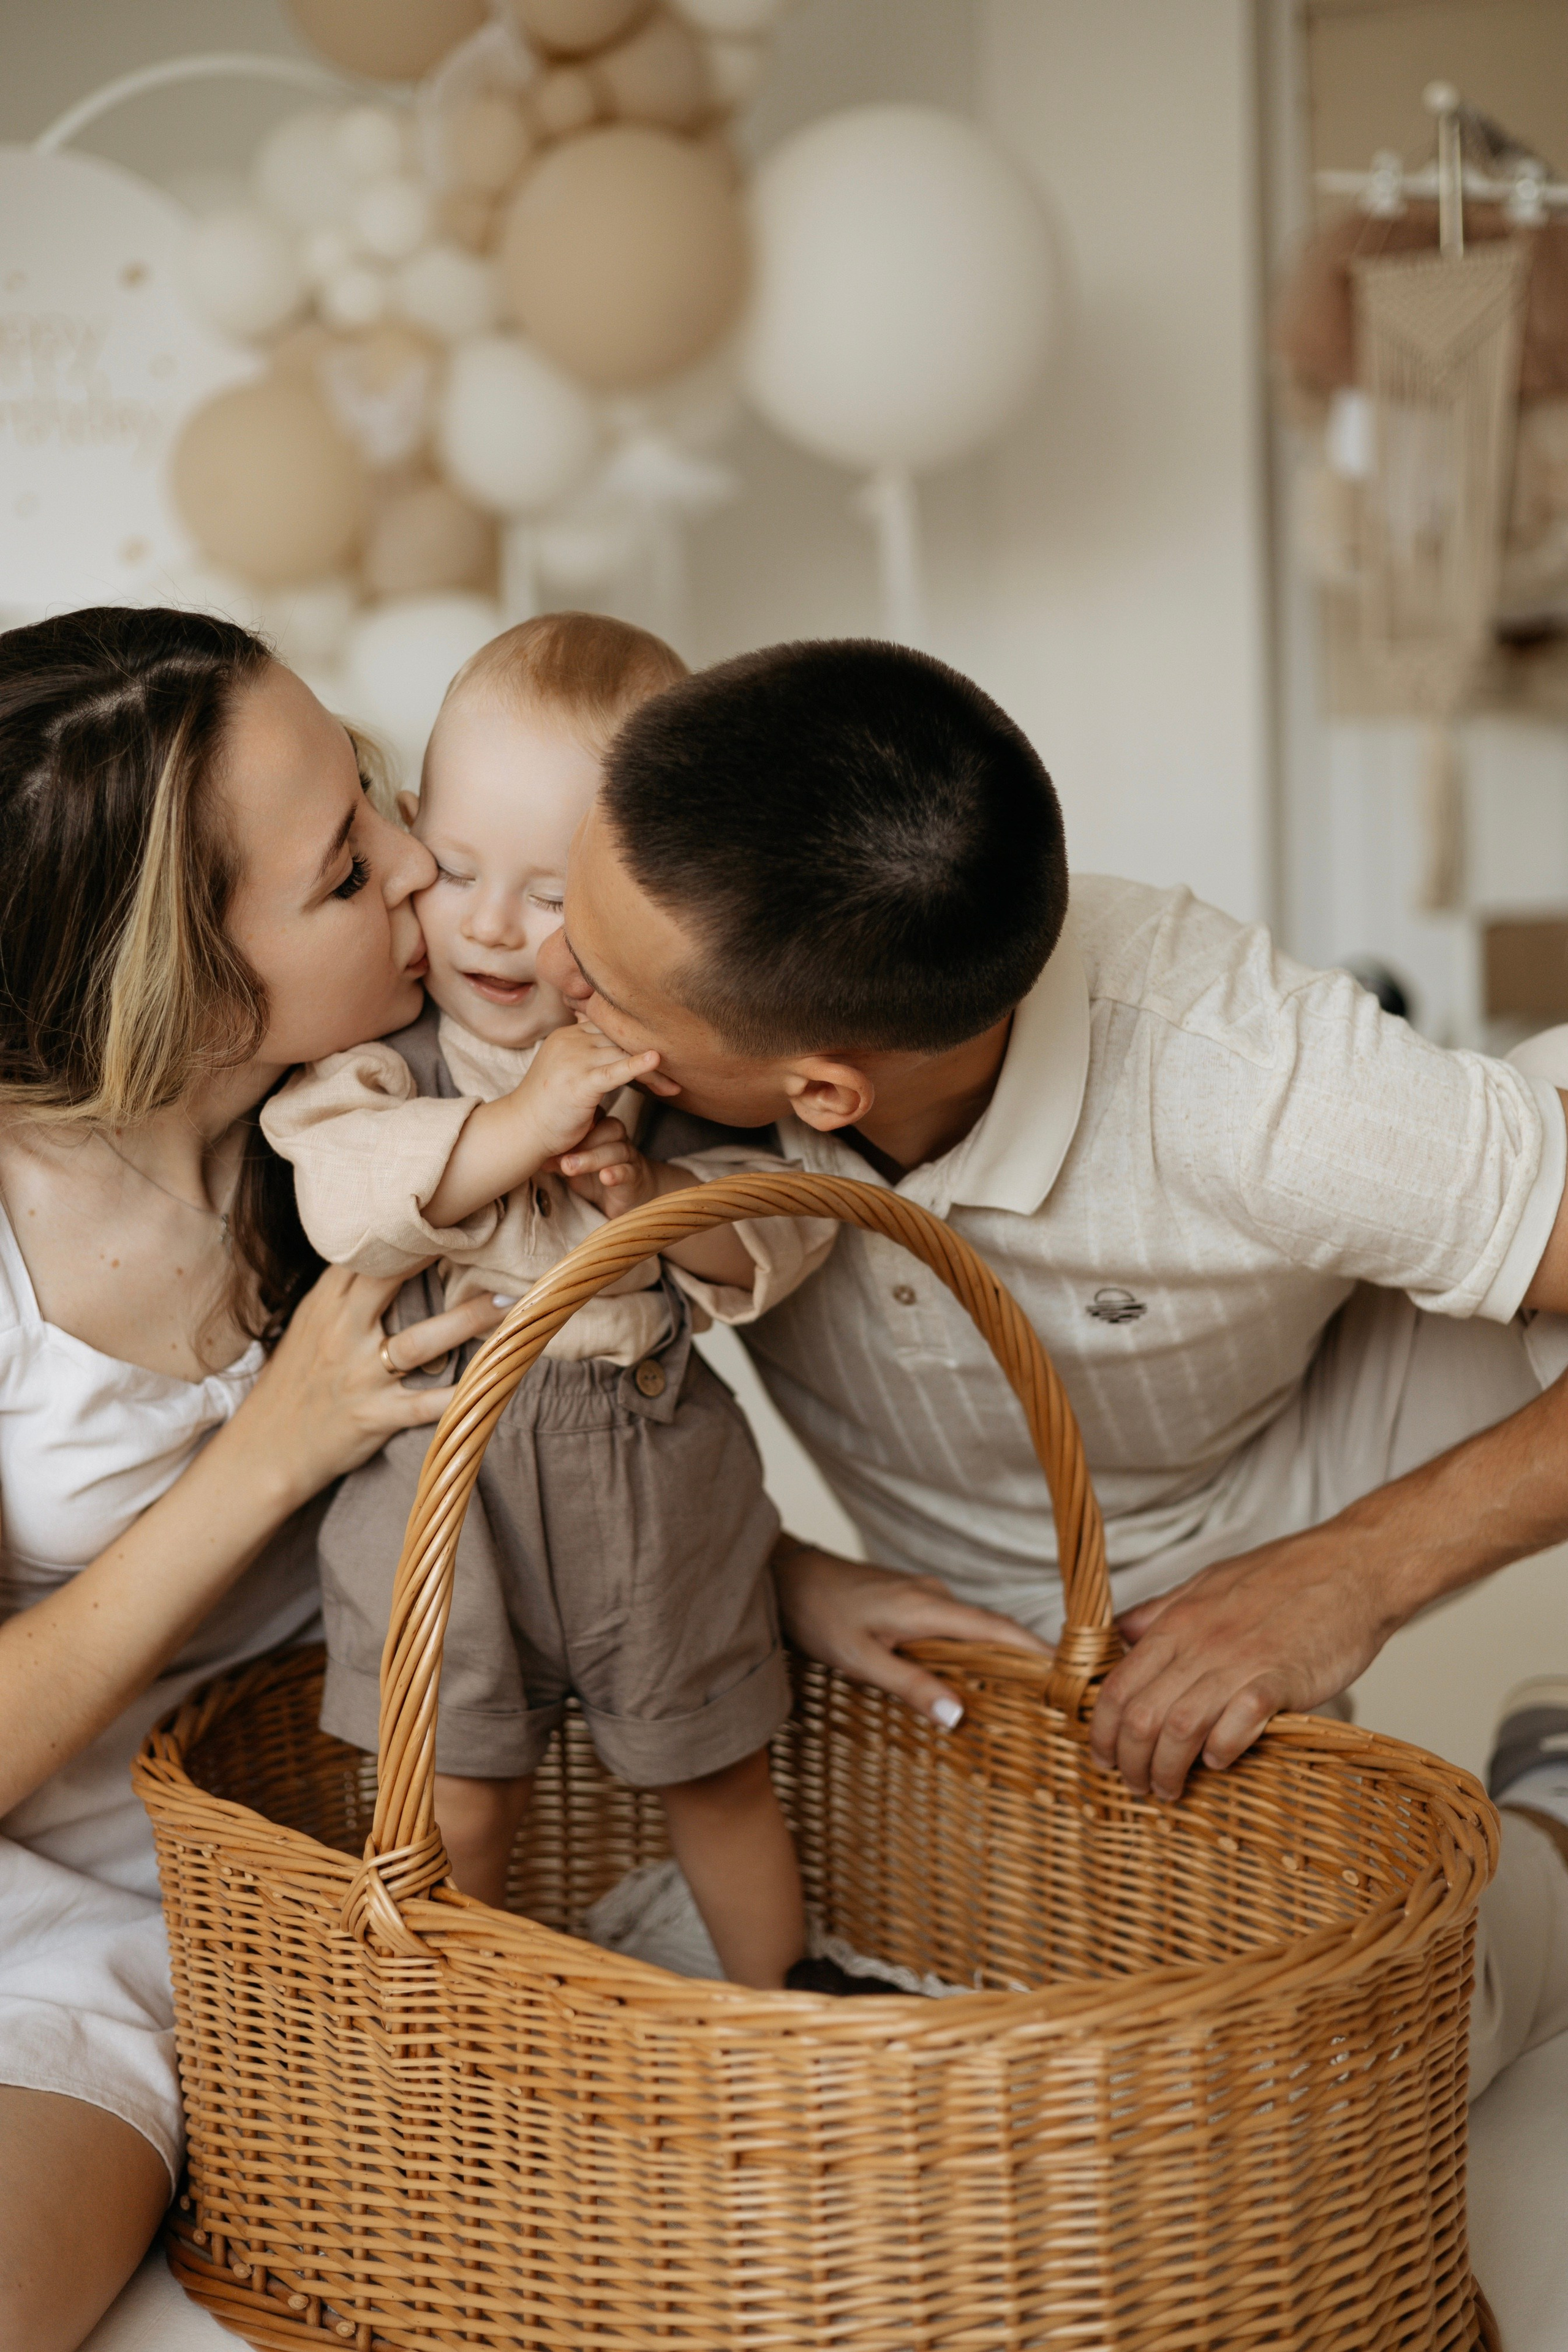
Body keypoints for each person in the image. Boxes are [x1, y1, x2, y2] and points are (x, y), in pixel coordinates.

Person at [0, 609, 1016, 2351]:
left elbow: (540, 1427)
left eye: (375, 791)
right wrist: (272, 1449)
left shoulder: (361, 1143)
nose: (422, 870)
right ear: (188, 987)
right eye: (350, 869)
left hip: (236, 1897)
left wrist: (774, 1579)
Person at [538, 633, 1568, 2100]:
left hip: (1313, 1449)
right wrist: (778, 1574)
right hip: (974, 1595)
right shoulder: (641, 1002)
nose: (541, 974)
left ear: (818, 1093)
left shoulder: (1256, 1083)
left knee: (1337, 2086)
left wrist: (1351, 1573)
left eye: (600, 990)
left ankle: (1552, 1827)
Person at [263, 614, 840, 1989]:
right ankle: (462, 2040)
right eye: (457, 869)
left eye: (550, 894)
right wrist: (518, 1126)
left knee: (716, 1768)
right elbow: (341, 1202)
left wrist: (650, 1194)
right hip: (440, 1488)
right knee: (459, 1794)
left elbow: (791, 1233)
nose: (488, 925)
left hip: (655, 1473)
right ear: (415, 830)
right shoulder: (381, 1056)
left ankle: (787, 2014)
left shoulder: (666, 1063)